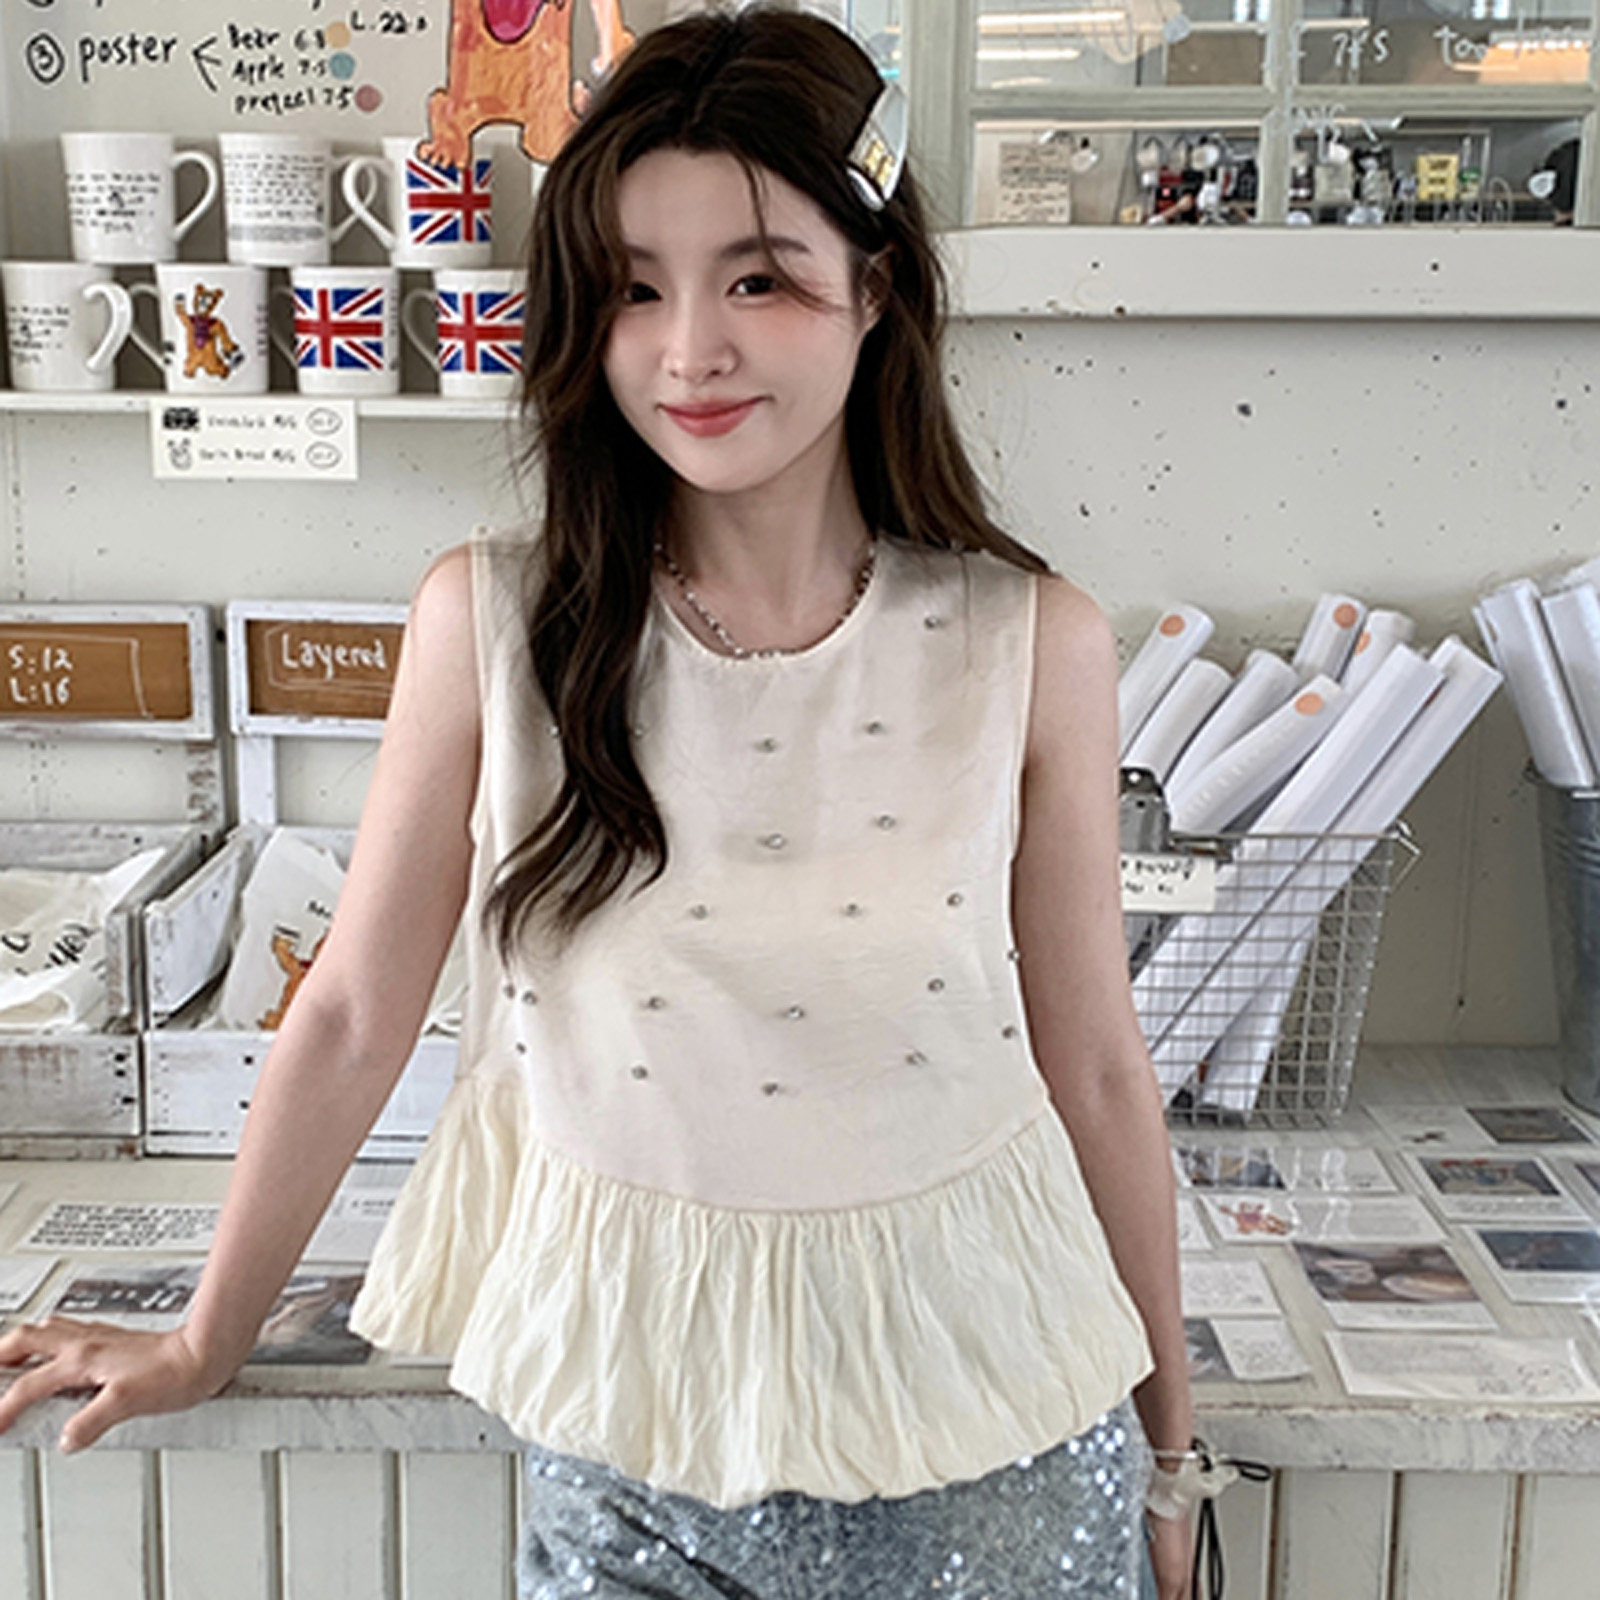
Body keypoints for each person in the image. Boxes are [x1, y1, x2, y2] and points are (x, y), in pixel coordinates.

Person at [0, 9, 1195, 1597]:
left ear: (876, 287)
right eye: (636, 287)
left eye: (759, 279)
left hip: (1004, 1462)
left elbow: (1097, 1069)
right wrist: (209, 1334)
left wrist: (1174, 1458)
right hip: (632, 1453)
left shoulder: (1032, 643)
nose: (689, 350)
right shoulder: (493, 623)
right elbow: (350, 1013)